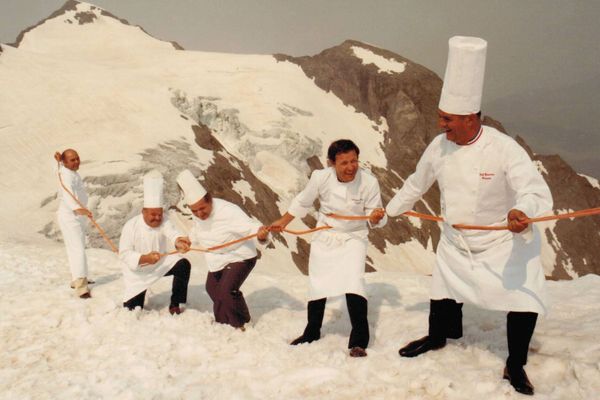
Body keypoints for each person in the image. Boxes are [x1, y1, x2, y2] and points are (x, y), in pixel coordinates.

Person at [386, 36, 552, 396]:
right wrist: (387, 212)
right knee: (443, 286)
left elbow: (536, 191)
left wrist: (522, 211)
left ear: (471, 118)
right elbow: (416, 183)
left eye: (447, 119)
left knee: (522, 297)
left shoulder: (503, 148)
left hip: (502, 240)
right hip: (456, 239)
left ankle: (516, 362)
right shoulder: (439, 146)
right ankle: (438, 336)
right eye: (441, 117)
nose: (441, 124)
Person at [270, 139, 386, 357]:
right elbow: (303, 202)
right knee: (318, 283)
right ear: (331, 163)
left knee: (354, 283)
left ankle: (359, 341)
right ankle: (312, 331)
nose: (351, 167)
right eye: (344, 163)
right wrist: (283, 221)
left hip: (354, 237)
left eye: (354, 161)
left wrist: (377, 216)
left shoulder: (369, 182)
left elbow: (375, 215)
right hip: (325, 233)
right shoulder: (320, 177)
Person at [176, 169, 269, 330]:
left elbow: (251, 227)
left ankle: (241, 323)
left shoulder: (229, 211)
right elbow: (198, 231)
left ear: (210, 200)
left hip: (240, 256)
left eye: (202, 208)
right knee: (212, 288)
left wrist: (260, 235)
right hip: (217, 258)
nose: (199, 213)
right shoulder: (198, 216)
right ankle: (223, 322)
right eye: (194, 211)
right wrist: (188, 240)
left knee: (226, 290)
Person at [119, 170, 191, 314]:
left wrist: (179, 241)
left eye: (159, 213)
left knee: (183, 265)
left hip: (159, 264)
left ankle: (175, 303)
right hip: (138, 272)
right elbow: (125, 254)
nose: (157, 218)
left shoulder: (164, 220)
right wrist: (146, 258)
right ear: (143, 211)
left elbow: (172, 233)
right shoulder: (131, 226)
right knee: (133, 310)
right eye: (153, 214)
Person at [54, 149, 93, 298]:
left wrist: (58, 161)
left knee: (76, 247)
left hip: (77, 216)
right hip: (71, 216)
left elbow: (60, 169)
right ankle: (81, 286)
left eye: (77, 158)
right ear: (65, 162)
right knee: (77, 249)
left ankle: (78, 277)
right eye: (72, 160)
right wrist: (78, 209)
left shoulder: (67, 170)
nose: (76, 162)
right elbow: (67, 192)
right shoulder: (65, 175)